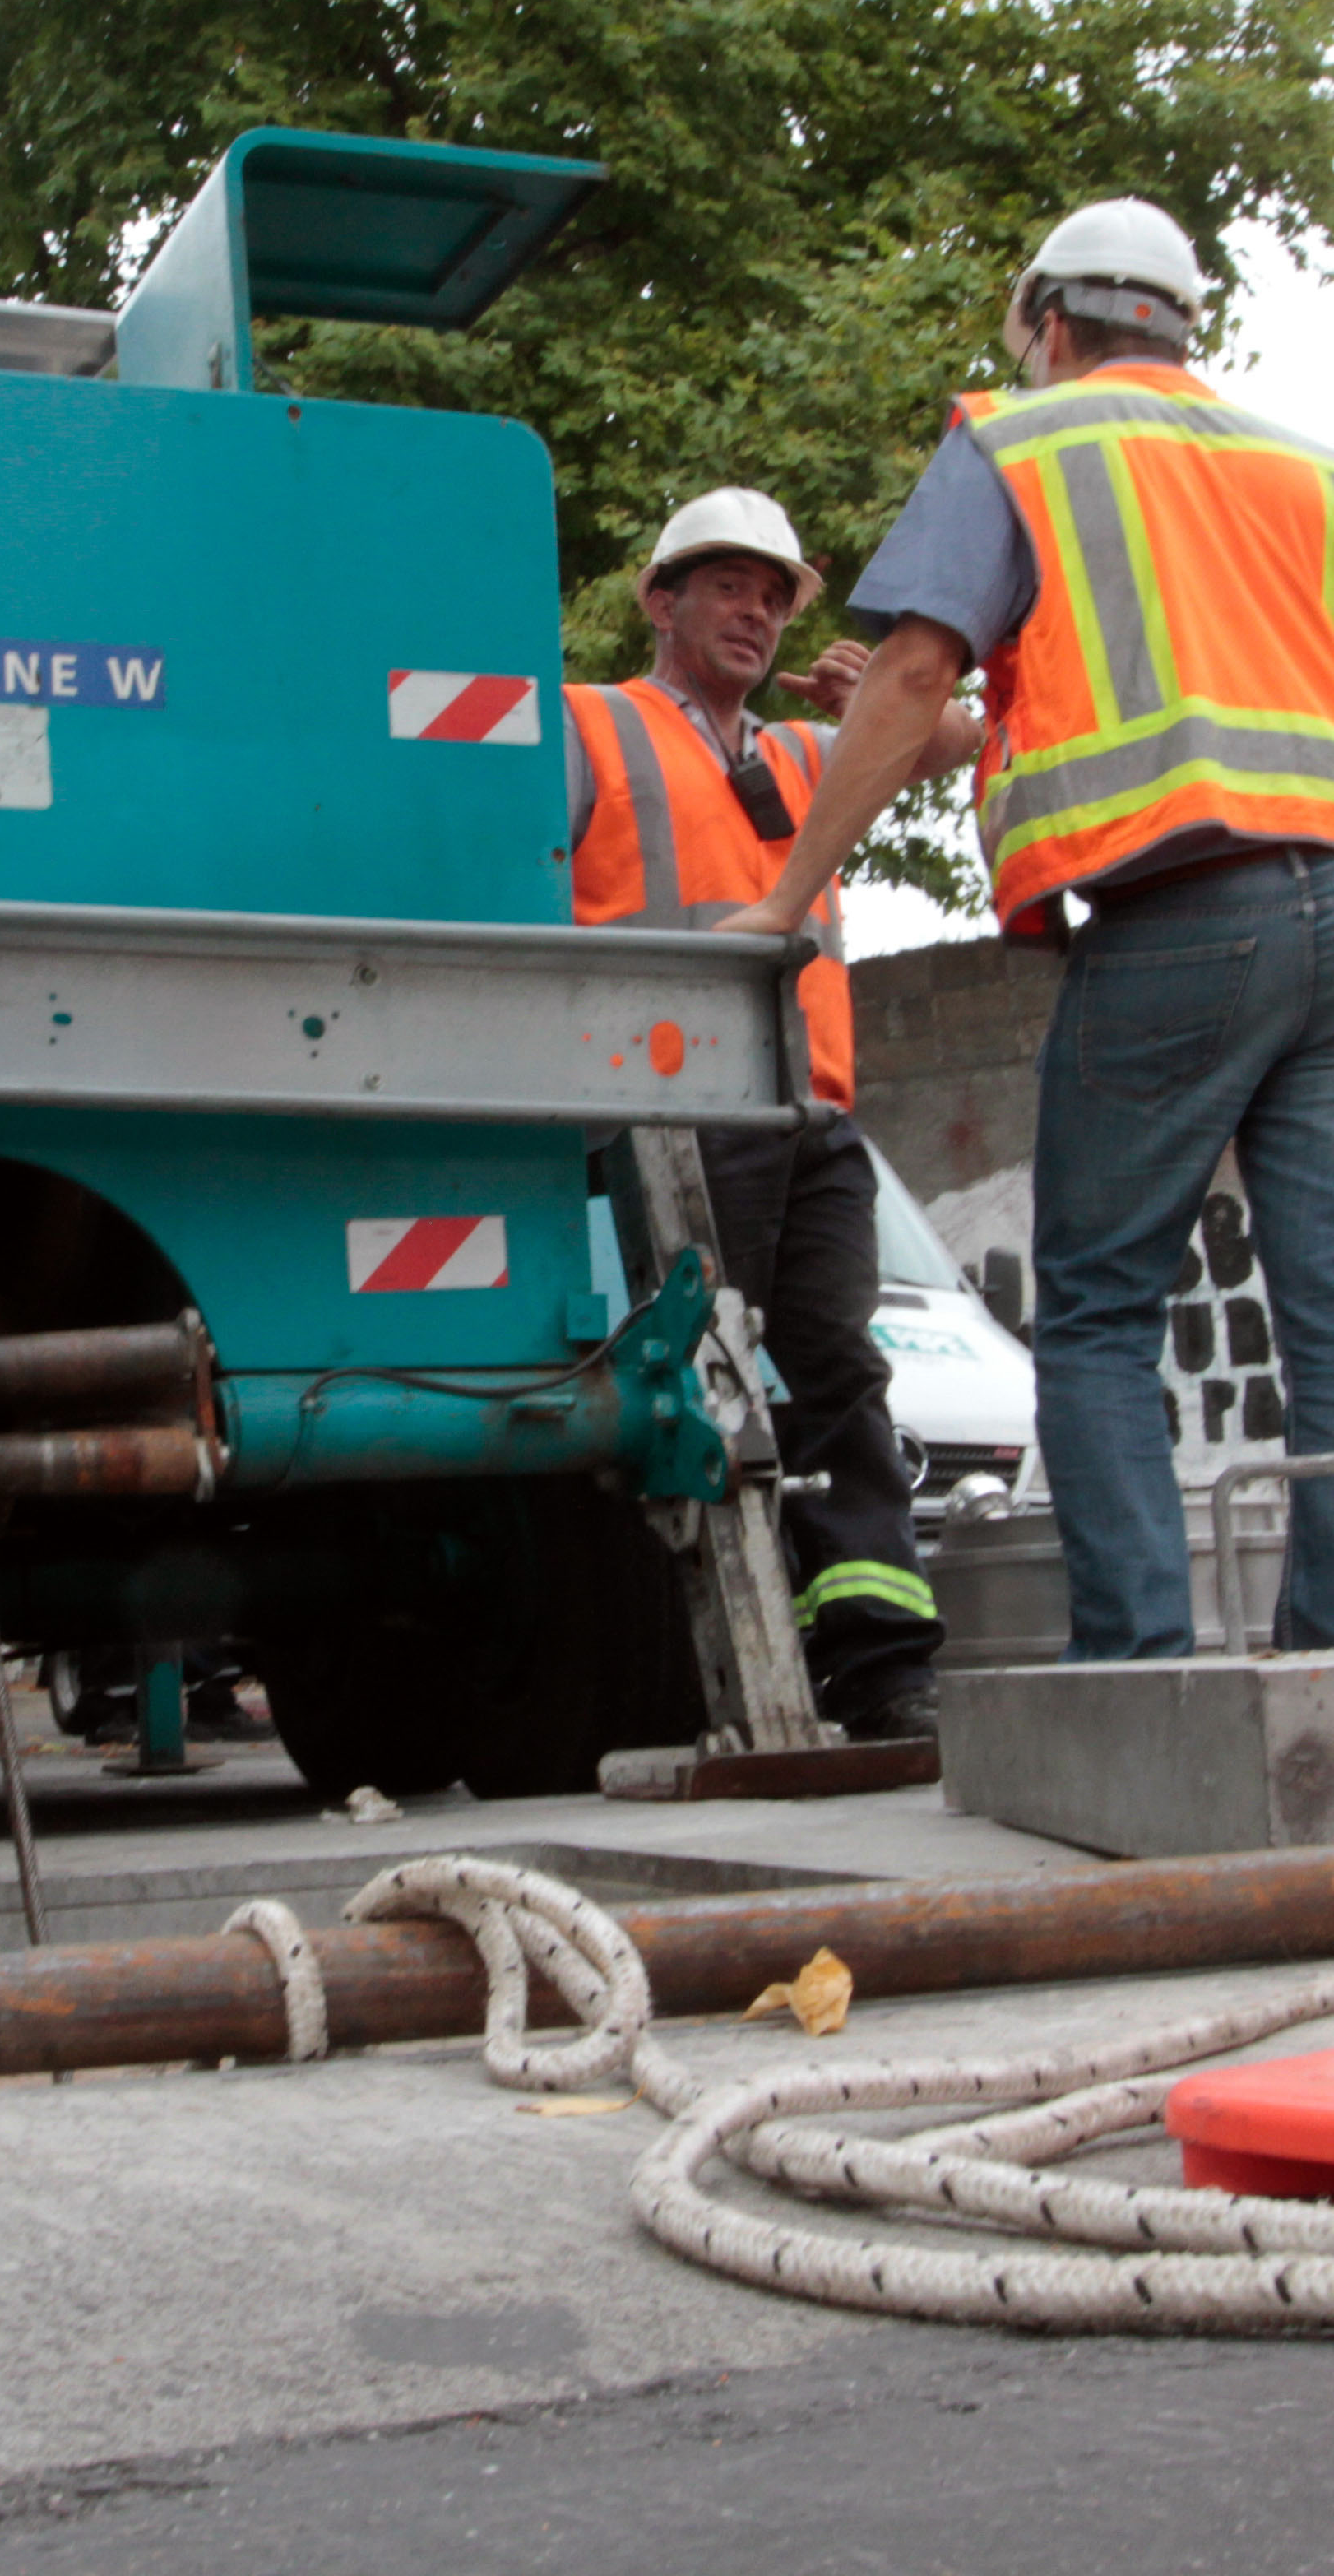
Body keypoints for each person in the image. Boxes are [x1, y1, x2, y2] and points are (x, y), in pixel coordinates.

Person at [721, 202, 1334, 1659]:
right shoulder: (1330, 482)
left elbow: (912, 668)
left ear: (1046, 324)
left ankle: (1136, 1664)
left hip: (1184, 913)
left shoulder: (1020, 442)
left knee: (1103, 1308)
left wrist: (784, 900)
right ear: (1179, 325)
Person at [569, 487, 978, 1739]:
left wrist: (886, 706)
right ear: (661, 601)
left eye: (775, 593)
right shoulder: (591, 726)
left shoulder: (811, 757)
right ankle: (674, 1672)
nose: (756, 611)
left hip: (811, 1117)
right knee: (689, 1386)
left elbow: (962, 740)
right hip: (670, 1116)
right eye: (728, 585)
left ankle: (875, 1655)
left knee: (840, 1373)